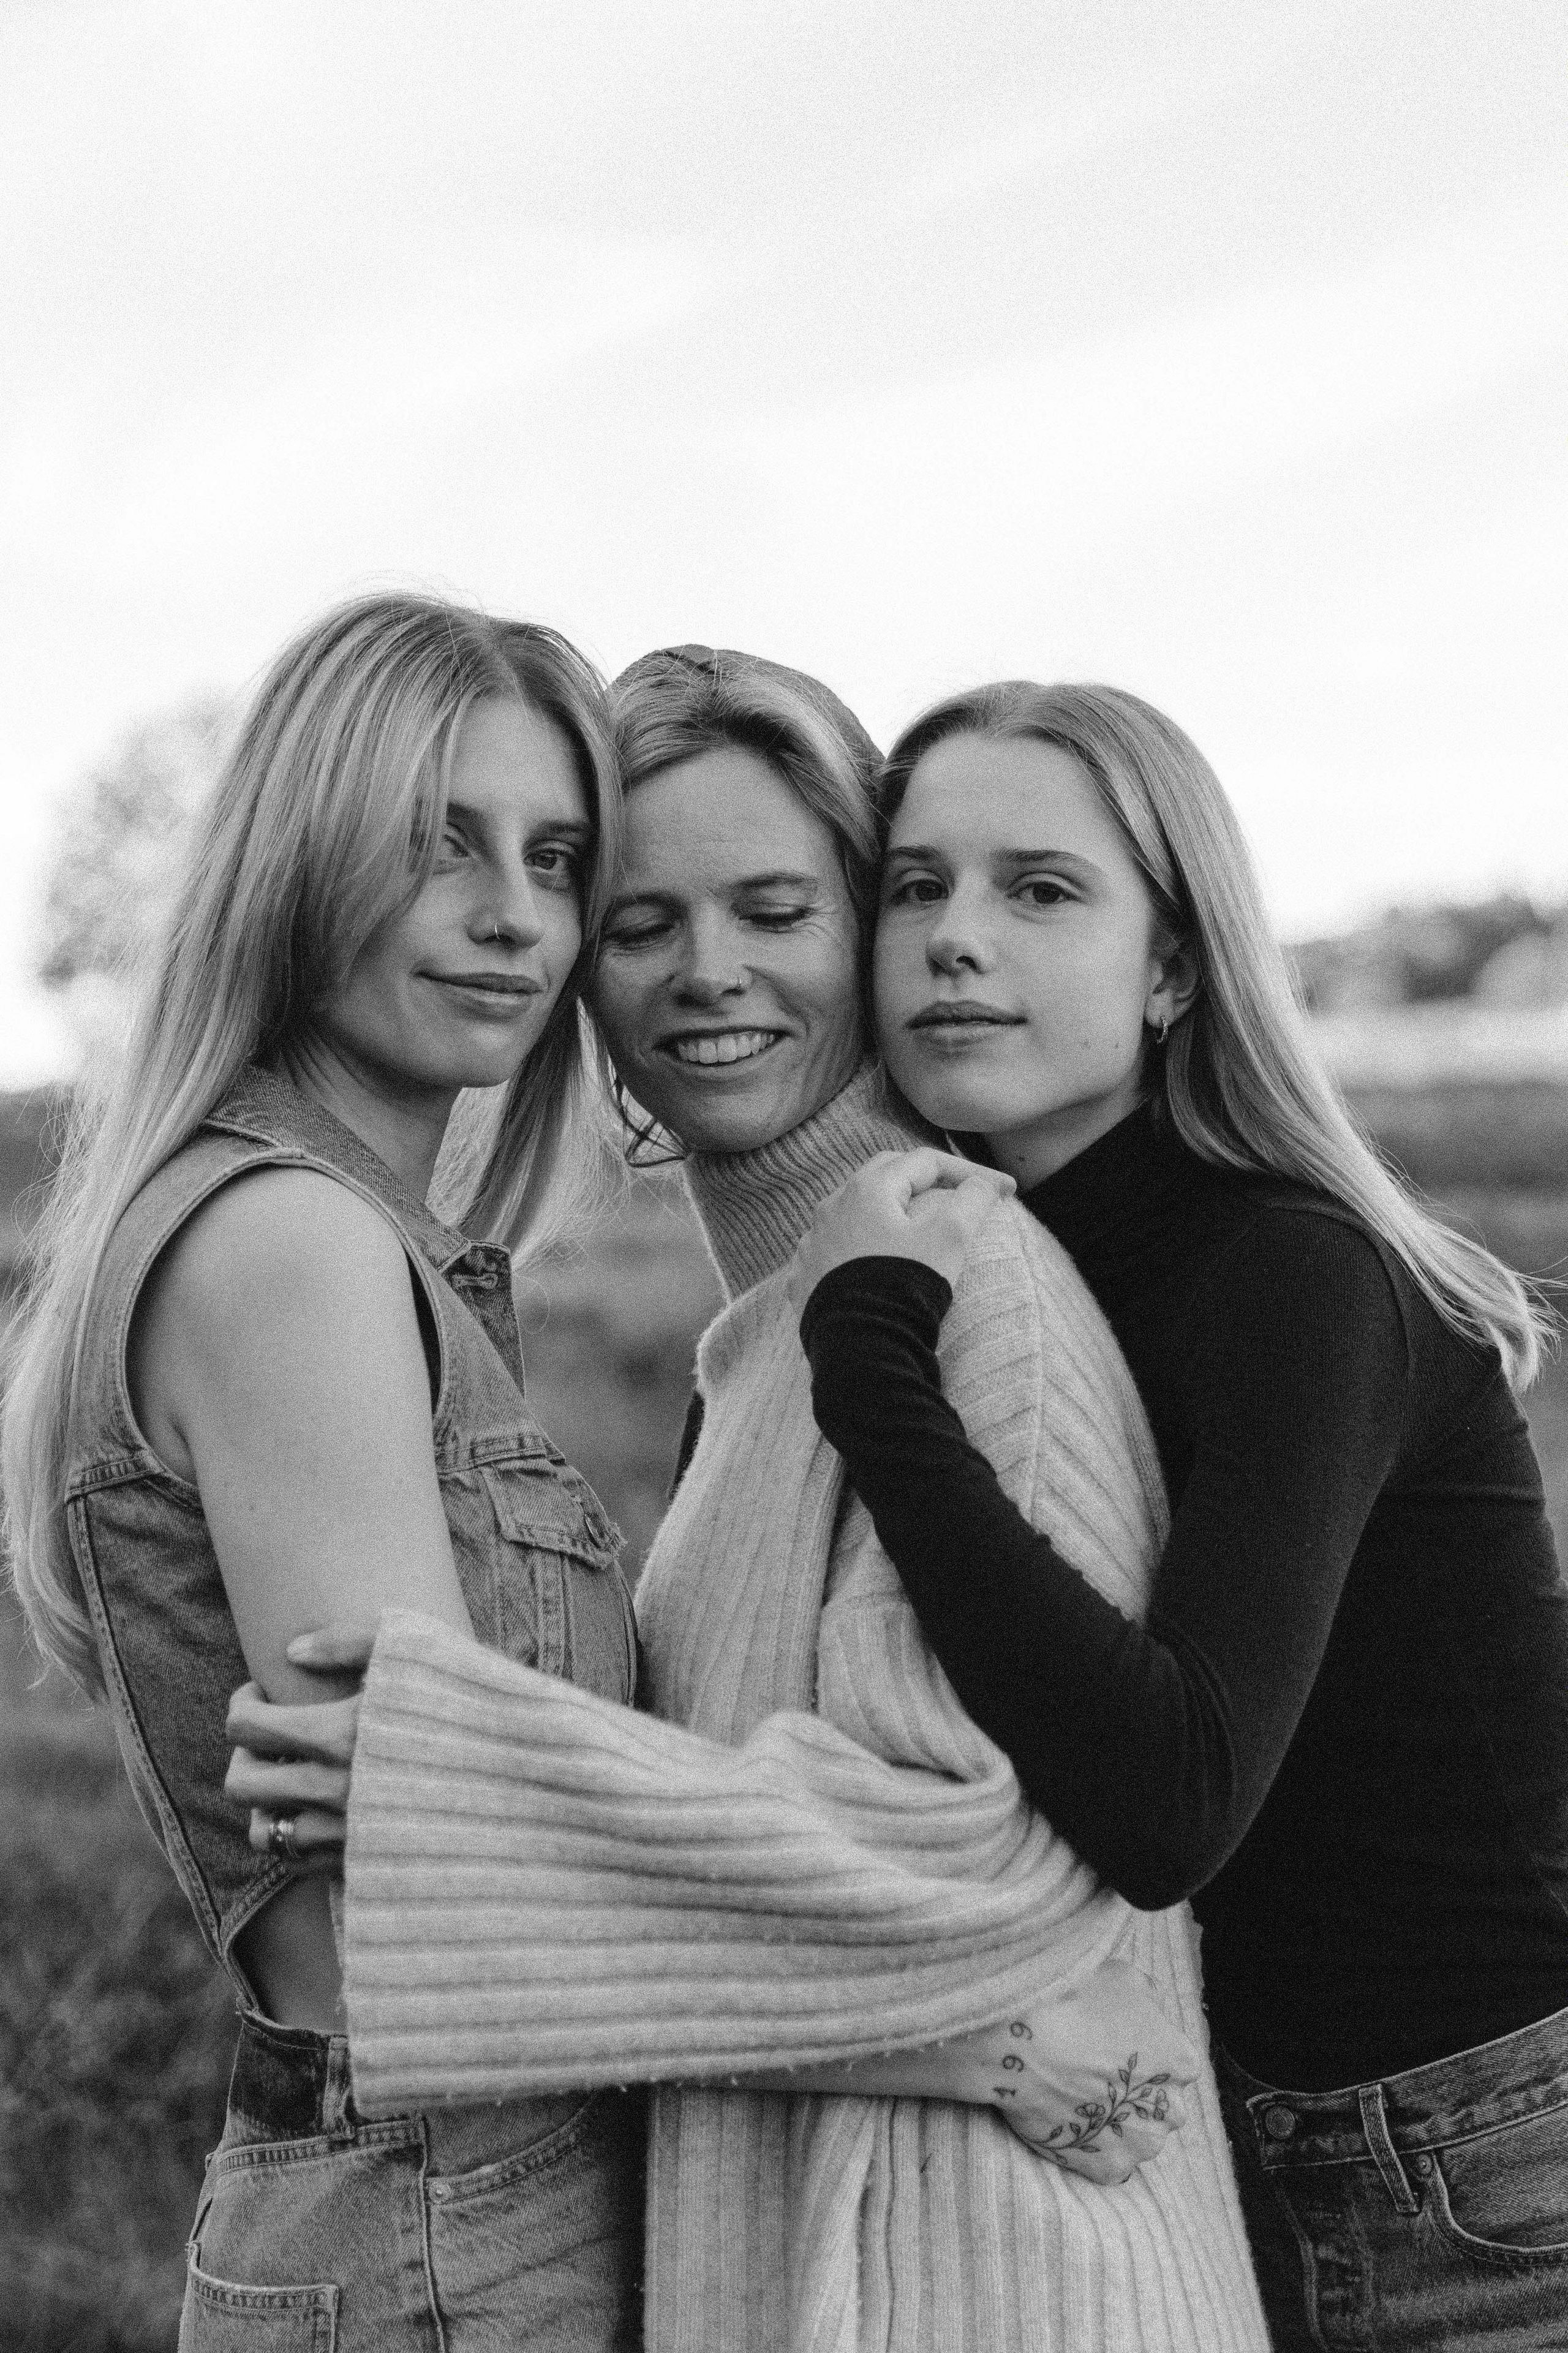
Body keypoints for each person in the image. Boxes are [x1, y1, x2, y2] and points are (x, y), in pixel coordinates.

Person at [229, 648, 1270, 2352]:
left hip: (1002, 2281)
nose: (709, 972)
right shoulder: (774, 1341)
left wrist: (476, 1782)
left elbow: (1001, 1855)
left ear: (867, 925)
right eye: (640, 922)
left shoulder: (963, 1286)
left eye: (777, 908)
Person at [787, 681, 1568, 2350]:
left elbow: (1172, 1793)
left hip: (1496, 2162)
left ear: (1171, 968)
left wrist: (866, 1356)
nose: (952, 937)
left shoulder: (1290, 1269)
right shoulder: (1030, 1263)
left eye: (1040, 888)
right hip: (1247, 2128)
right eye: (914, 886)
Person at [1, 592, 651, 2351]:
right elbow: (432, 1891)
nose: (513, 912)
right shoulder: (289, 1246)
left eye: (557, 854)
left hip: (458, 2204)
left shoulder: (360, 1241)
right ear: (297, 862)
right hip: (453, 2220)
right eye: (438, 844)